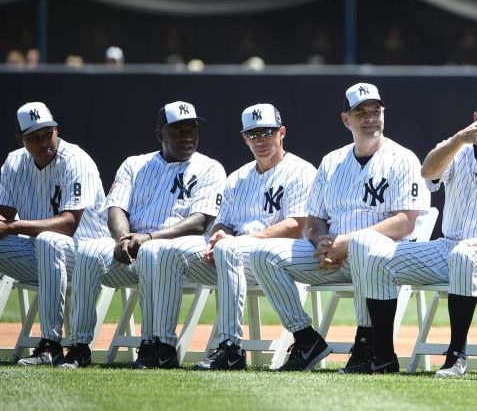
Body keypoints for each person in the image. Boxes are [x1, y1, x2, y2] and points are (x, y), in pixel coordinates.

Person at [348, 88, 477, 375]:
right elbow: (428, 172)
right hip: (448, 247)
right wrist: (457, 139)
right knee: (377, 258)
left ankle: (456, 355)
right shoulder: (456, 150)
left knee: (464, 255)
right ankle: (381, 356)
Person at [248, 82, 429, 371]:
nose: (370, 118)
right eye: (361, 113)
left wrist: (346, 242)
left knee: (364, 245)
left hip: (380, 260)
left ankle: (366, 342)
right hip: (332, 257)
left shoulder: (402, 158)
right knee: (262, 254)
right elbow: (315, 217)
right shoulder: (332, 161)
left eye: (376, 111)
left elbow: (405, 222)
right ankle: (305, 338)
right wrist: (321, 241)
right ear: (347, 120)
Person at [148, 103, 316, 371]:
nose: (260, 140)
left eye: (267, 132)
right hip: (236, 258)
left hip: (281, 256)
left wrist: (235, 242)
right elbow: (221, 221)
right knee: (169, 251)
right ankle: (162, 346)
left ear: (281, 132)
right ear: (244, 138)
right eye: (253, 134)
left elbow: (296, 224)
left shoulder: (301, 171)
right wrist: (218, 235)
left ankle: (231, 347)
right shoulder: (238, 177)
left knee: (228, 249)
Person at [60, 101, 226, 369]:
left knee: (152, 250)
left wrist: (147, 238)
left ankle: (157, 345)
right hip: (133, 247)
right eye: (179, 130)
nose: (188, 136)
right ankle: (79, 346)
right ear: (160, 134)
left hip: (180, 253)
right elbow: (116, 207)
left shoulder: (210, 167)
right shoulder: (135, 164)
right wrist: (123, 239)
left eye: (192, 129)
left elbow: (200, 222)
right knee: (89, 250)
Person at [0, 102, 109, 366]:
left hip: (85, 253)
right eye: (33, 137)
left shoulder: (75, 159)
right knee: (45, 243)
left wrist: (13, 226)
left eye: (46, 133)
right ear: (20, 139)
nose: (43, 141)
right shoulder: (14, 162)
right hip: (41, 256)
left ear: (56, 130)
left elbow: (69, 223)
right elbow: (4, 213)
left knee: (50, 240)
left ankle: (51, 344)